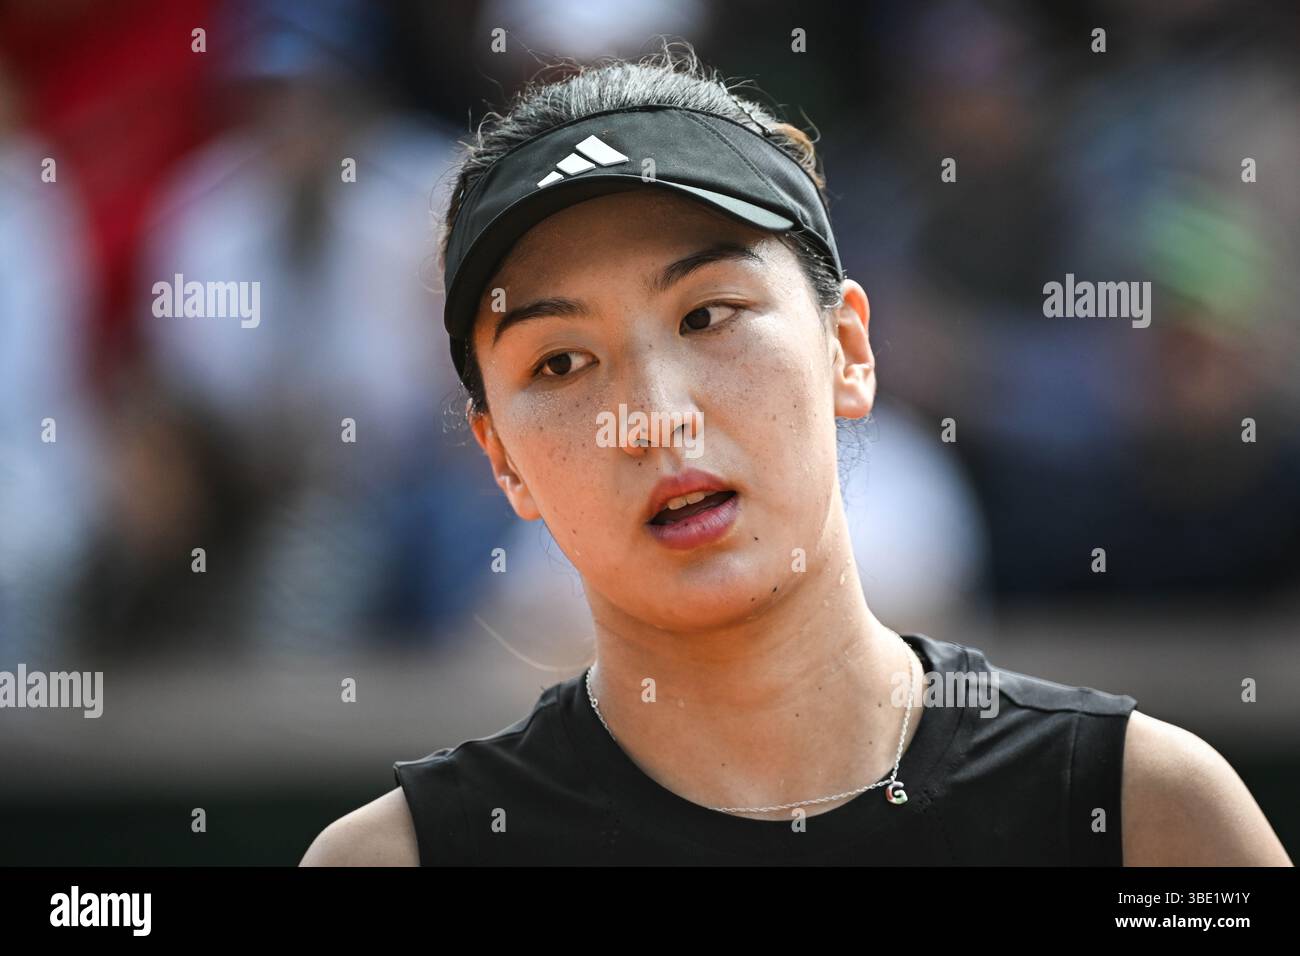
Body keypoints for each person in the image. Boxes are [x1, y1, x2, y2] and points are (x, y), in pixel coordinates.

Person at [301, 43, 1292, 866]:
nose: (653, 416)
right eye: (561, 361)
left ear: (847, 351)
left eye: (708, 313)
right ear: (500, 457)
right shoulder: (395, 861)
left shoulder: (1149, 818)